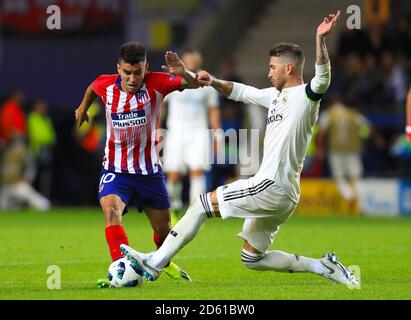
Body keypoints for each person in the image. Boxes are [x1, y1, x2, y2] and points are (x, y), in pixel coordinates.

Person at [121, 11, 360, 287]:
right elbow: (240, 91)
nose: (268, 72)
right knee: (252, 259)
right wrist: (206, 79)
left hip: (272, 185)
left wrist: (319, 38)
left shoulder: (306, 97)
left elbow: (323, 76)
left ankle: (154, 262)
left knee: (200, 204)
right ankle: (322, 266)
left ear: (289, 68)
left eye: (272, 67)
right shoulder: (274, 96)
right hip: (286, 193)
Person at [74, 42, 201, 283]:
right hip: (115, 169)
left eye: (138, 73)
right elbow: (93, 87)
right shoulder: (106, 84)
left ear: (146, 68)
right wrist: (82, 109)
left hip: (148, 173)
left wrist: (184, 72)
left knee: (164, 232)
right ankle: (120, 269)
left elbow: (196, 83)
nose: (132, 79)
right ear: (118, 69)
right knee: (110, 209)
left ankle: (164, 261)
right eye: (127, 73)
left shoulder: (158, 82)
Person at [162, 48, 221, 213]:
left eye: (195, 59)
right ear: (183, 60)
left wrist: (218, 135)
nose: (192, 62)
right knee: (173, 174)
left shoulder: (207, 82)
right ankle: (174, 207)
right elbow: (161, 106)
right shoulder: (172, 81)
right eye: (189, 59)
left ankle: (197, 211)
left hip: (198, 133)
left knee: (197, 172)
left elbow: (213, 111)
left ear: (199, 61)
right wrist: (156, 130)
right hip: (175, 132)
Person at [317, 99, 382, 213]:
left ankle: (349, 196)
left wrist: (321, 148)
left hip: (336, 150)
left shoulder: (328, 114)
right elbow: (368, 126)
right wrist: (376, 138)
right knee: (356, 178)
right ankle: (361, 206)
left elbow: (321, 131)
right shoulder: (353, 114)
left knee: (339, 177)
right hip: (353, 150)